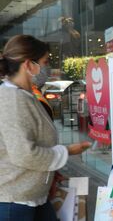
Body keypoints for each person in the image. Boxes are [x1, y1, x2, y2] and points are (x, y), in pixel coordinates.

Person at [0, 35, 91, 221]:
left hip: (32, 197)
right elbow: (24, 154)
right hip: (16, 202)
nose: (47, 67)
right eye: (45, 61)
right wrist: (66, 152)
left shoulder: (24, 95)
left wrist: (51, 171)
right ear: (28, 65)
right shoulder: (12, 99)